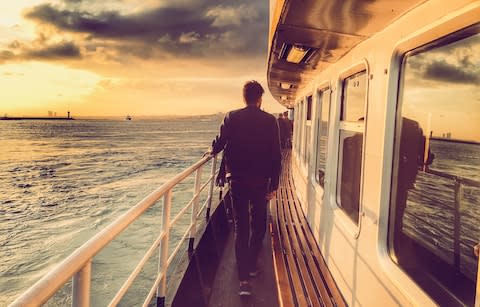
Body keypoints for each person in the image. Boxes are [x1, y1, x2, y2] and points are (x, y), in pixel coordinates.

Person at [210, 80, 281, 296]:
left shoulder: (232, 117)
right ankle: (250, 266)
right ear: (260, 99)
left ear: (244, 97)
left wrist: (211, 151)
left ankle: (242, 281)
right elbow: (276, 155)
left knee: (241, 228)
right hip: (261, 182)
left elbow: (220, 143)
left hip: (238, 181)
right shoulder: (270, 121)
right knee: (259, 224)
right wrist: (275, 184)